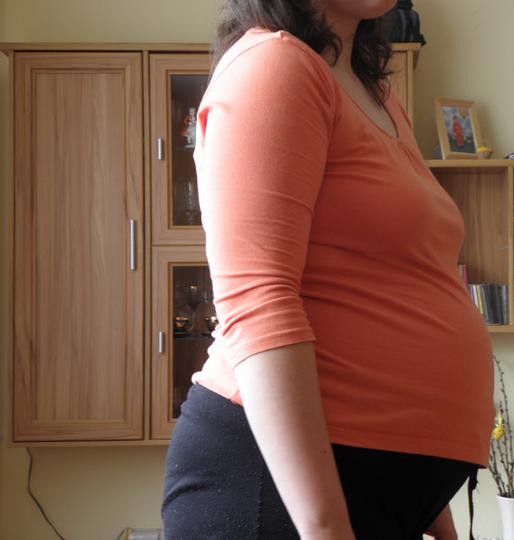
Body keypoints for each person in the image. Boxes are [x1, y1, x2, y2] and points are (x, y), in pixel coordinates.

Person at [161, 1, 495, 539]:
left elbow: (395, 277)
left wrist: (431, 507)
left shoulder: (376, 93)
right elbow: (258, 302)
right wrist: (326, 528)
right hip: (277, 492)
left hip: (372, 488)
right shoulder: (273, 65)